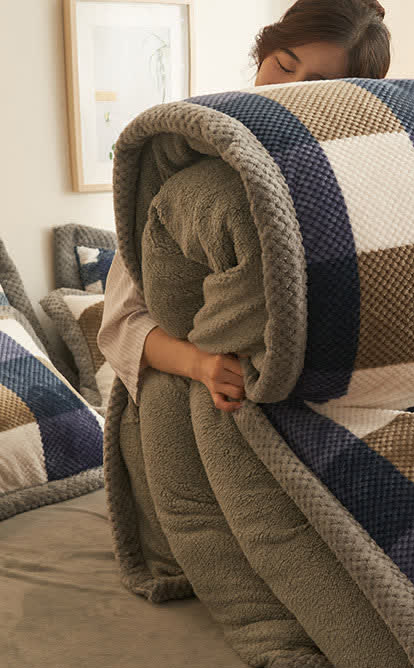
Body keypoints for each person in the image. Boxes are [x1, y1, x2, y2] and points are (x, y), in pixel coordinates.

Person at [98, 0, 390, 412]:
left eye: (316, 84)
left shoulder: (372, 175)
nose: (285, 89)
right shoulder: (184, 151)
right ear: (263, 52)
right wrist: (201, 364)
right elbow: (120, 324)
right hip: (218, 396)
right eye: (284, 66)